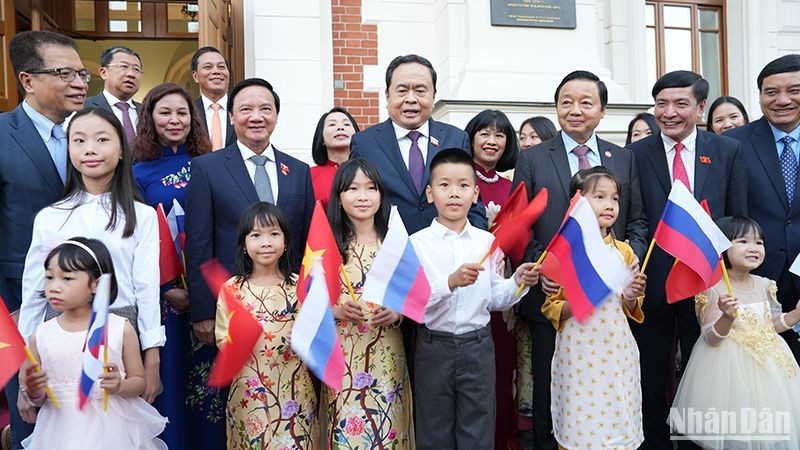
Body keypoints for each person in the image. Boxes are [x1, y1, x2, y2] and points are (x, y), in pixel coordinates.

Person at [511, 69, 648, 450]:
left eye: (586, 102)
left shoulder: (623, 158)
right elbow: (522, 223)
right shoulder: (534, 158)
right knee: (551, 388)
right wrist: (543, 269)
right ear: (556, 107)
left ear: (602, 110)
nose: (575, 110)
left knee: (606, 389)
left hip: (609, 303)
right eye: (566, 102)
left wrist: (624, 261)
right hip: (554, 295)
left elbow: (636, 219)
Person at [628, 70, 748, 449]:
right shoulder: (635, 154)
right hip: (653, 281)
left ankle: (703, 441)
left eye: (681, 104)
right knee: (650, 371)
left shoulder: (728, 151)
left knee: (707, 366)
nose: (669, 112)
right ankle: (655, 440)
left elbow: (734, 216)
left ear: (699, 107)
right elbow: (636, 217)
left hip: (706, 280)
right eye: (661, 104)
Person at [18, 107, 164, 410]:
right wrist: (27, 366)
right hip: (59, 338)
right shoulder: (50, 217)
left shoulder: (143, 216)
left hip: (120, 335)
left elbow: (147, 289)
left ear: (122, 150)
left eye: (102, 140)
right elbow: (33, 293)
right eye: (79, 141)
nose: (90, 150)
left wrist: (152, 355)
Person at [409, 148, 540, 450]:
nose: (454, 193)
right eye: (444, 185)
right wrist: (450, 283)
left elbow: (495, 298)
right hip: (433, 346)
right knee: (434, 428)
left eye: (463, 185)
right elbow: (414, 302)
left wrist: (518, 282)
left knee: (478, 428)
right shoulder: (417, 244)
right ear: (430, 194)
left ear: (476, 193)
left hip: (478, 347)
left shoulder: (487, 242)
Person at [0, 30, 89, 448]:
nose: (79, 83)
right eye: (64, 73)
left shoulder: (89, 136)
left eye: (82, 73)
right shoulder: (2, 134)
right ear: (27, 80)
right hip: (21, 305)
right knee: (32, 420)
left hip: (90, 309)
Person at [185, 77, 313, 354]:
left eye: (265, 109)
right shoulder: (207, 168)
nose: (256, 117)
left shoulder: (300, 171)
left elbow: (307, 243)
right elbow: (198, 243)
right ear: (231, 117)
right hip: (233, 307)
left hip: (290, 310)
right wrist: (204, 311)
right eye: (246, 109)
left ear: (276, 116)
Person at [131, 83, 222, 449]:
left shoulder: (212, 165)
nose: (174, 120)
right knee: (170, 380)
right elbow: (137, 236)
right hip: (164, 297)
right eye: (165, 112)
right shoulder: (136, 173)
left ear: (193, 118)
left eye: (182, 112)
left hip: (208, 291)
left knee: (211, 384)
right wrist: (166, 285)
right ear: (150, 118)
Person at [18, 238, 167, 450]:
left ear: (96, 284)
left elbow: (139, 381)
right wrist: (34, 391)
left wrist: (119, 385)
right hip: (59, 433)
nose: (54, 287)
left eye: (67, 278)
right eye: (49, 277)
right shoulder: (40, 335)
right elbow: (37, 397)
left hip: (112, 432)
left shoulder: (119, 329)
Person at [669, 216, 800, 447]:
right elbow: (710, 336)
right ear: (723, 247)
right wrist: (727, 317)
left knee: (769, 428)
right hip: (730, 372)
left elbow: (770, 325)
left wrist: (794, 315)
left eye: (759, 243)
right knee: (738, 430)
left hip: (770, 370)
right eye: (743, 241)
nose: (754, 248)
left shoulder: (764, 284)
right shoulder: (713, 289)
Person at [542, 166, 647, 450]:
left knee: (617, 417)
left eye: (614, 199)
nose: (609, 205)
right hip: (578, 351)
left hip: (616, 350)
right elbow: (551, 307)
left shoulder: (625, 252)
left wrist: (630, 294)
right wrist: (581, 299)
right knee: (580, 419)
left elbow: (632, 307)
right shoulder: (563, 252)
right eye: (599, 196)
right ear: (577, 203)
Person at [323, 158, 413, 448]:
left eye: (370, 188)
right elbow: (306, 305)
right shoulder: (326, 247)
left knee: (388, 427)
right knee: (346, 433)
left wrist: (398, 313)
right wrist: (335, 310)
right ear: (339, 197)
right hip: (343, 356)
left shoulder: (397, 243)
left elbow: (416, 296)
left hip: (387, 354)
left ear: (381, 195)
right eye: (352, 188)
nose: (362, 196)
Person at [215, 202, 318, 448]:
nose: (266, 242)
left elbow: (316, 333)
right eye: (256, 235)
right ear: (243, 244)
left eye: (274, 234)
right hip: (249, 392)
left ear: (285, 241)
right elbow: (221, 338)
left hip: (295, 390)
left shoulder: (300, 286)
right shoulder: (232, 289)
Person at [349, 54, 487, 234]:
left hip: (446, 252)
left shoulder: (456, 139)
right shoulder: (364, 143)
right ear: (387, 95)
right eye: (402, 90)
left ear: (434, 95)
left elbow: (473, 202)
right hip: (389, 252)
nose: (411, 99)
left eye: (420, 90)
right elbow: (351, 202)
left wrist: (475, 246)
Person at [725, 54, 800, 363]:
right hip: (753, 279)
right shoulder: (733, 144)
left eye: (793, 90)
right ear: (759, 96)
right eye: (771, 92)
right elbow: (728, 212)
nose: (782, 100)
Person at [464, 108, 520, 448]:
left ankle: (503, 438)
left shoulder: (511, 186)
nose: (492, 140)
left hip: (501, 284)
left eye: (500, 135)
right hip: (465, 284)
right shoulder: (458, 177)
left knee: (501, 369)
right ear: (471, 137)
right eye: (485, 133)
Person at [83, 46, 143, 147]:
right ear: (104, 72)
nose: (131, 74)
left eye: (136, 69)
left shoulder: (146, 111)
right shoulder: (84, 107)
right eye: (123, 66)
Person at [310, 107, 360, 209]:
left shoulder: (369, 172)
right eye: (332, 124)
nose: (340, 128)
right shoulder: (309, 176)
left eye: (346, 124)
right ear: (322, 138)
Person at [192, 46, 236, 150]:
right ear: (195, 76)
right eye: (208, 67)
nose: (216, 71)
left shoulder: (241, 109)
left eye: (221, 67)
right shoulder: (189, 111)